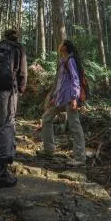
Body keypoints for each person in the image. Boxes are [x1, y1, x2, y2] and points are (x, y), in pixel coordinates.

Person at [0, 29, 27, 188]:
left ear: (4, 36)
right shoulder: (18, 48)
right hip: (7, 91)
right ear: (16, 37)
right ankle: (2, 172)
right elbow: (22, 72)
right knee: (6, 125)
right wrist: (21, 88)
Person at [37, 39, 86, 167]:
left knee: (74, 125)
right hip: (60, 98)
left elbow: (75, 79)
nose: (59, 45)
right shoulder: (63, 61)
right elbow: (61, 82)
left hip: (70, 98)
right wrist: (54, 97)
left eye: (61, 43)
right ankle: (49, 150)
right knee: (46, 118)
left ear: (65, 47)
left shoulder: (70, 61)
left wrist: (75, 98)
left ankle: (80, 158)